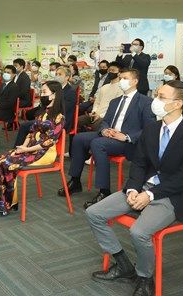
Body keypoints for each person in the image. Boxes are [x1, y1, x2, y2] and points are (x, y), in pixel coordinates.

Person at [86, 81, 183, 296]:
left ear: (178, 103)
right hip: (142, 188)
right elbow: (139, 163)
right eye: (156, 95)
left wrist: (150, 195)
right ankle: (123, 265)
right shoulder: (152, 129)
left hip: (173, 195)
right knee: (94, 213)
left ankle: (145, 277)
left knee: (139, 232)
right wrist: (133, 189)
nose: (155, 100)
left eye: (161, 97)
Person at [59, 68, 154, 208]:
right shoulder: (115, 101)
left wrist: (126, 136)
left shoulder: (146, 102)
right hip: (110, 136)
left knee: (98, 144)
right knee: (79, 138)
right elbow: (105, 121)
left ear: (135, 81)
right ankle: (75, 180)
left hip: (128, 142)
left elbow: (149, 129)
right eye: (120, 78)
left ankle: (104, 190)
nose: (121, 81)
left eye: (125, 78)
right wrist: (104, 130)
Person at [0, 81, 65, 216]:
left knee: (8, 164)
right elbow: (31, 132)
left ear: (54, 95)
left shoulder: (59, 118)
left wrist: (26, 150)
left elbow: (48, 142)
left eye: (44, 92)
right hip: (31, 149)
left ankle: (6, 203)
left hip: (44, 153)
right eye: (42, 92)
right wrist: (24, 146)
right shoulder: (42, 113)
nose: (42, 95)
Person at [77, 62, 122, 132]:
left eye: (113, 70)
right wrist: (94, 112)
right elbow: (97, 102)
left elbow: (114, 108)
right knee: (78, 120)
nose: (110, 72)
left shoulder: (121, 89)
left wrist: (100, 116)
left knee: (95, 126)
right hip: (96, 114)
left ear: (119, 73)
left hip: (105, 117)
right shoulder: (104, 87)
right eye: (109, 70)